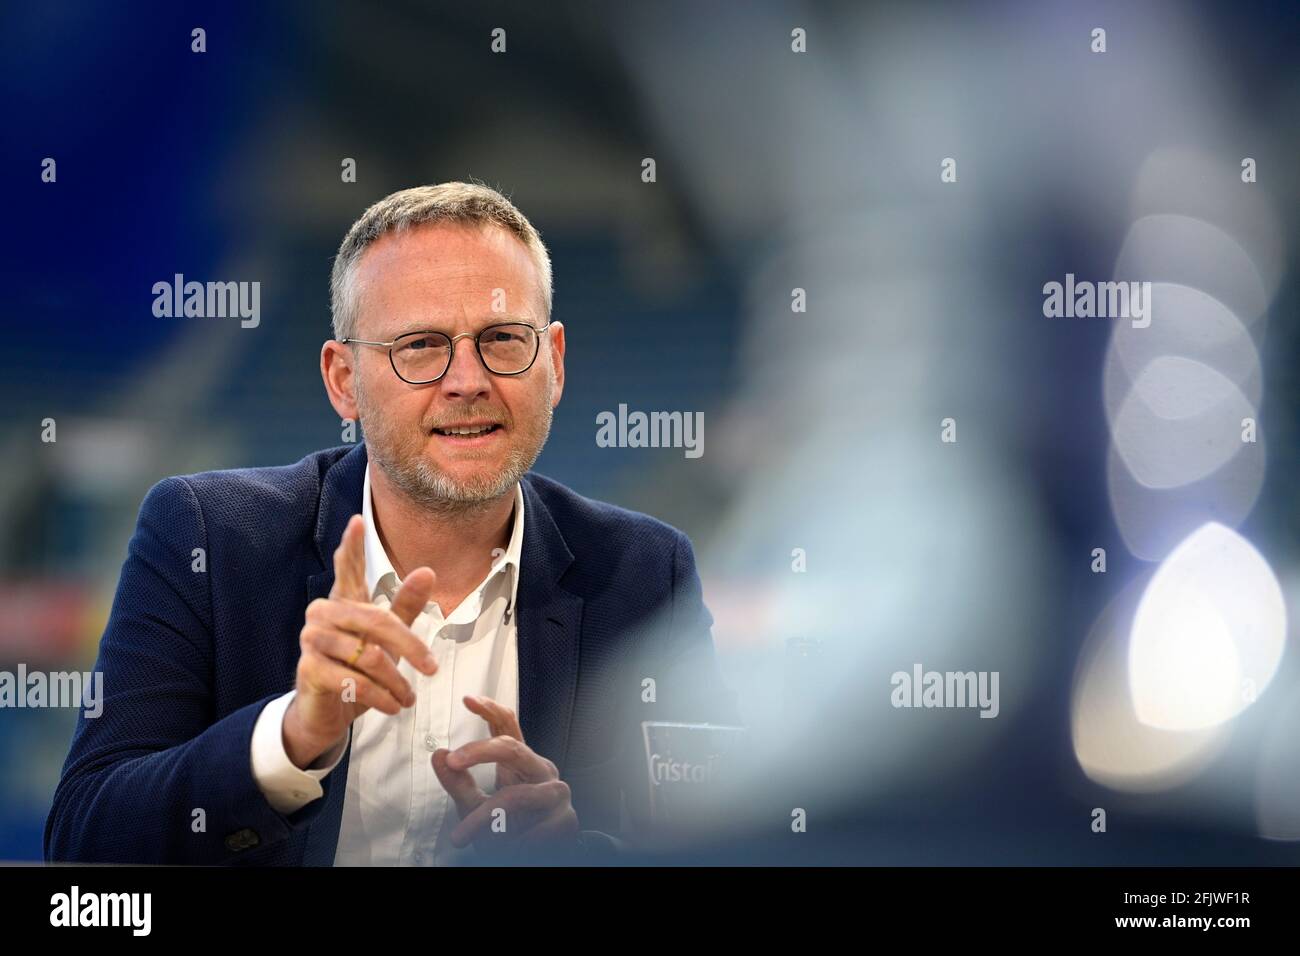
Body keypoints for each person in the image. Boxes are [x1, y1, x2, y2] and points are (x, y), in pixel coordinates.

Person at [45, 182, 739, 865]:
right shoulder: (206, 536)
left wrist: (574, 855)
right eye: (420, 346)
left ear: (553, 363)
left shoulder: (647, 573)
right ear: (343, 380)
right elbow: (85, 840)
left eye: (502, 339)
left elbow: (716, 851)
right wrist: (288, 739)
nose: (468, 380)